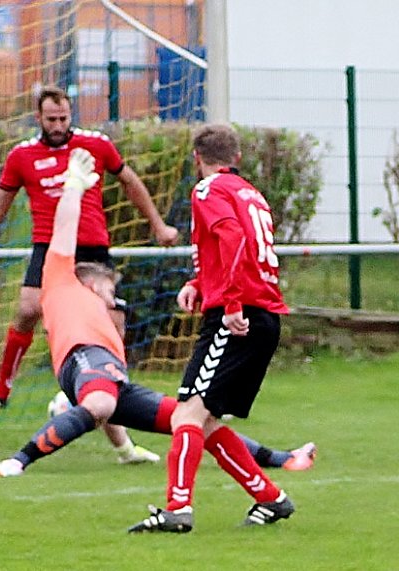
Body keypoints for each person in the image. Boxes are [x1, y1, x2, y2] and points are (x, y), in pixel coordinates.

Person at [0, 148, 315, 481]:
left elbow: (110, 401)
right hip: (82, 359)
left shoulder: (107, 324)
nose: (112, 298)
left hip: (105, 378)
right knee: (100, 402)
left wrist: (124, 449)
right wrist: (73, 186)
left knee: (191, 419)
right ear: (89, 282)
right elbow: (64, 229)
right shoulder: (60, 281)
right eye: (108, 290)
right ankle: (18, 461)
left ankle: (281, 458)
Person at [0, 85, 177, 463]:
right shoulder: (23, 156)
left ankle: (117, 437)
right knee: (28, 308)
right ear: (38, 118)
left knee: (108, 332)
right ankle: (1, 390)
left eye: (64, 118)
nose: (59, 125)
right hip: (51, 249)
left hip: (92, 248)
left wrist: (158, 225)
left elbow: (129, 181)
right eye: (52, 119)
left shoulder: (95, 145)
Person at [128, 124, 293, 534]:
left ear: (196, 158)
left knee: (188, 413)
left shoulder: (207, 190)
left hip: (238, 317)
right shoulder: (250, 192)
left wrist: (232, 303)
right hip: (261, 315)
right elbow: (238, 250)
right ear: (235, 158)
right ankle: (271, 498)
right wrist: (199, 284)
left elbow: (231, 239)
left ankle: (178, 509)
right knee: (205, 420)